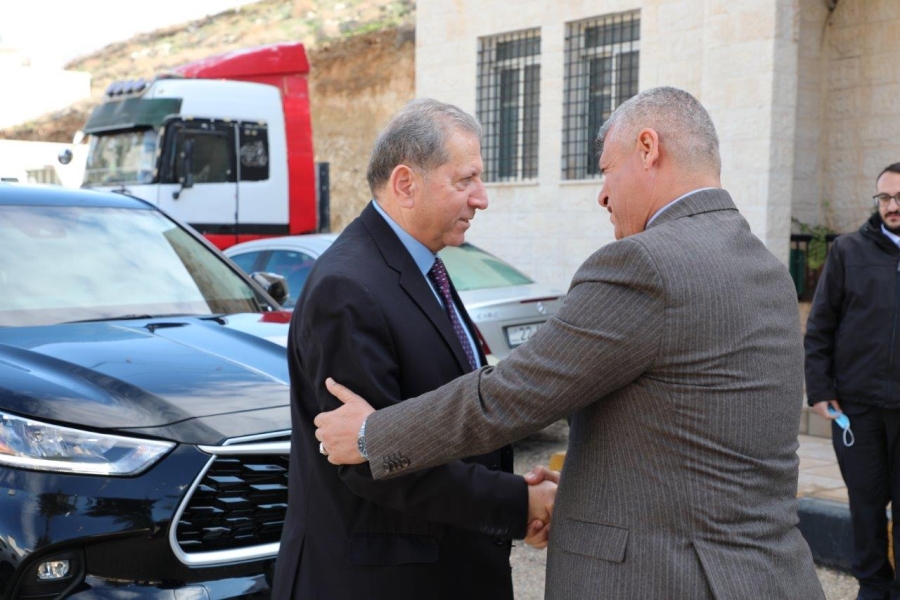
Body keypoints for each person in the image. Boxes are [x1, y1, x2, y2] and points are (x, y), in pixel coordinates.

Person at [314, 86, 825, 599]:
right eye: (466, 180)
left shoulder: (645, 264)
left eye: (606, 170)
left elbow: (512, 394)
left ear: (648, 149)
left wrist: (372, 436)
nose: (603, 195)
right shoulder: (767, 269)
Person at [271, 98, 557, 600]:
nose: (482, 198)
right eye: (465, 180)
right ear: (405, 184)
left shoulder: (422, 268)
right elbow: (371, 463)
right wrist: (518, 504)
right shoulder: (347, 288)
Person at [804, 162, 900, 600]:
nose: (892, 206)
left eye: (899, 198)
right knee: (865, 505)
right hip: (857, 408)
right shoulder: (848, 251)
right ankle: (873, 588)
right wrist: (821, 389)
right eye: (885, 198)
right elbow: (820, 326)